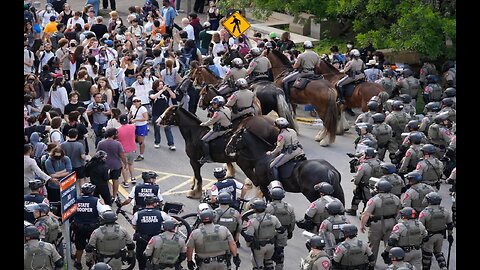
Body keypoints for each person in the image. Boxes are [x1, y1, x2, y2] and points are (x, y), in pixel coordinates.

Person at [359, 180, 401, 261]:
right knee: (390, 245)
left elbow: (366, 214)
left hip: (377, 224)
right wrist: (395, 220)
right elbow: (399, 211)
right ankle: (392, 263)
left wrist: (362, 225)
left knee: (373, 245)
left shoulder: (375, 199)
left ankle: (372, 264)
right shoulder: (396, 198)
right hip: (392, 222)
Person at [72, 183, 110, 270]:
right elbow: (103, 212)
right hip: (93, 228)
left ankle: (78, 262)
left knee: (79, 246)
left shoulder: (76, 200)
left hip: (79, 227)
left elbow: (72, 213)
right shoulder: (96, 201)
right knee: (93, 246)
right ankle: (91, 263)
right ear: (92, 192)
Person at [132, 195, 173, 270]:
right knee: (157, 259)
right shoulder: (161, 213)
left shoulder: (137, 214)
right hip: (157, 240)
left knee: (141, 259)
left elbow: (134, 226)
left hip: (142, 240)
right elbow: (172, 222)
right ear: (154, 204)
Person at [242, 199, 284, 270]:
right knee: (269, 261)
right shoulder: (273, 218)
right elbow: (281, 230)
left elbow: (249, 237)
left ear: (254, 209)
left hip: (259, 247)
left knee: (258, 266)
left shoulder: (253, 221)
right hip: (271, 245)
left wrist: (242, 232)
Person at [418, 192, 453, 270]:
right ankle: (443, 267)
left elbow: (420, 227)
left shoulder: (424, 212)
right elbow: (450, 224)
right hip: (440, 235)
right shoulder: (444, 210)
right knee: (438, 253)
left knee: (427, 256)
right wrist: (450, 235)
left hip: (429, 237)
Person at [345, 147, 382, 216]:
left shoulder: (364, 166)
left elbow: (357, 178)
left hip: (364, 185)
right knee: (368, 201)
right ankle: (364, 213)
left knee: (357, 197)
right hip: (375, 185)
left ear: (367, 155)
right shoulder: (379, 163)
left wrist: (356, 182)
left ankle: (354, 210)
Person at [265, 187, 295, 270]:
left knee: (268, 254)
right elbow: (292, 221)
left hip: (270, 233)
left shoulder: (268, 207)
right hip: (283, 233)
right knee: (280, 252)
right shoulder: (289, 207)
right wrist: (290, 231)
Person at [198, 96, 232, 164]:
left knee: (204, 140)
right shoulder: (227, 109)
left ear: (219, 104)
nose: (213, 105)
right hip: (228, 129)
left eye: (214, 104)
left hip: (220, 131)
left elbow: (210, 122)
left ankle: (207, 157)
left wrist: (202, 124)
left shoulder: (218, 113)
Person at [97, 128, 128, 199]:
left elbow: (98, 154)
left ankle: (109, 195)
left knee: (106, 180)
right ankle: (114, 195)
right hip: (116, 165)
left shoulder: (101, 143)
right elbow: (122, 155)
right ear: (114, 135)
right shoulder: (117, 144)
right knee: (115, 180)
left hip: (104, 165)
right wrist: (125, 163)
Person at [151, 79, 177, 150]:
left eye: (162, 84)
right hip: (156, 113)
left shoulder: (166, 92)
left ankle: (171, 144)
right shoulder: (152, 91)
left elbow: (174, 96)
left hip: (165, 113)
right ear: (156, 85)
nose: (161, 86)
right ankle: (157, 142)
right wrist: (162, 91)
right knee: (157, 129)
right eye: (160, 85)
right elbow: (153, 97)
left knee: (168, 128)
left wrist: (169, 90)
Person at [117, 114, 137, 187]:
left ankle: (126, 182)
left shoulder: (118, 130)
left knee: (124, 166)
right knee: (131, 164)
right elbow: (134, 123)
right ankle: (133, 178)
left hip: (123, 151)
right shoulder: (132, 127)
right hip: (132, 149)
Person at [129, 96, 149, 161]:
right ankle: (132, 151)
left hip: (141, 126)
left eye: (138, 101)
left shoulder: (143, 109)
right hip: (134, 126)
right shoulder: (132, 107)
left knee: (141, 142)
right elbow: (130, 114)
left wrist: (136, 120)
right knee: (132, 139)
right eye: (134, 101)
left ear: (140, 102)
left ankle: (141, 155)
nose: (136, 103)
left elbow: (146, 118)